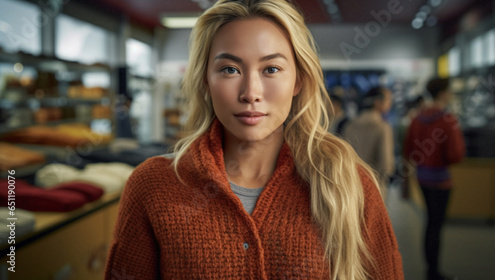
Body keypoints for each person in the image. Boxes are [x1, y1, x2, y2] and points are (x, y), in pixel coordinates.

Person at [105, 1, 403, 279]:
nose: (251, 92)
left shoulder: (349, 183)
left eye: (271, 69)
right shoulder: (153, 185)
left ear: (298, 79)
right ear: (206, 80)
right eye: (229, 69)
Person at [404, 78, 465, 280]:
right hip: (441, 180)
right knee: (436, 225)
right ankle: (433, 271)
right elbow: (456, 154)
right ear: (443, 93)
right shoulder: (448, 119)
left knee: (429, 223)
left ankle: (430, 268)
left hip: (423, 178)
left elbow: (409, 149)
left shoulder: (417, 118)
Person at [343, 86, 395, 191]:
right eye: (388, 99)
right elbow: (385, 164)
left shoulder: (350, 125)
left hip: (351, 182)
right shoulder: (382, 127)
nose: (390, 103)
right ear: (377, 101)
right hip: (374, 184)